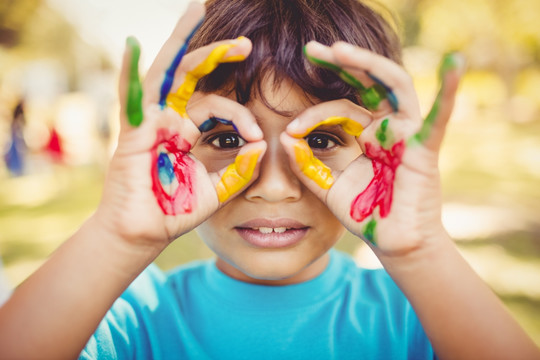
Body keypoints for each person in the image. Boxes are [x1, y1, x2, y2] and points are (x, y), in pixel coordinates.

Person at [0, 0, 538, 359]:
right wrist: (117, 237)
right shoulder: (131, 320)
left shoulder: (422, 321)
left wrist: (422, 251)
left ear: (376, 153)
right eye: (227, 138)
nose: (274, 187)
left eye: (322, 139)